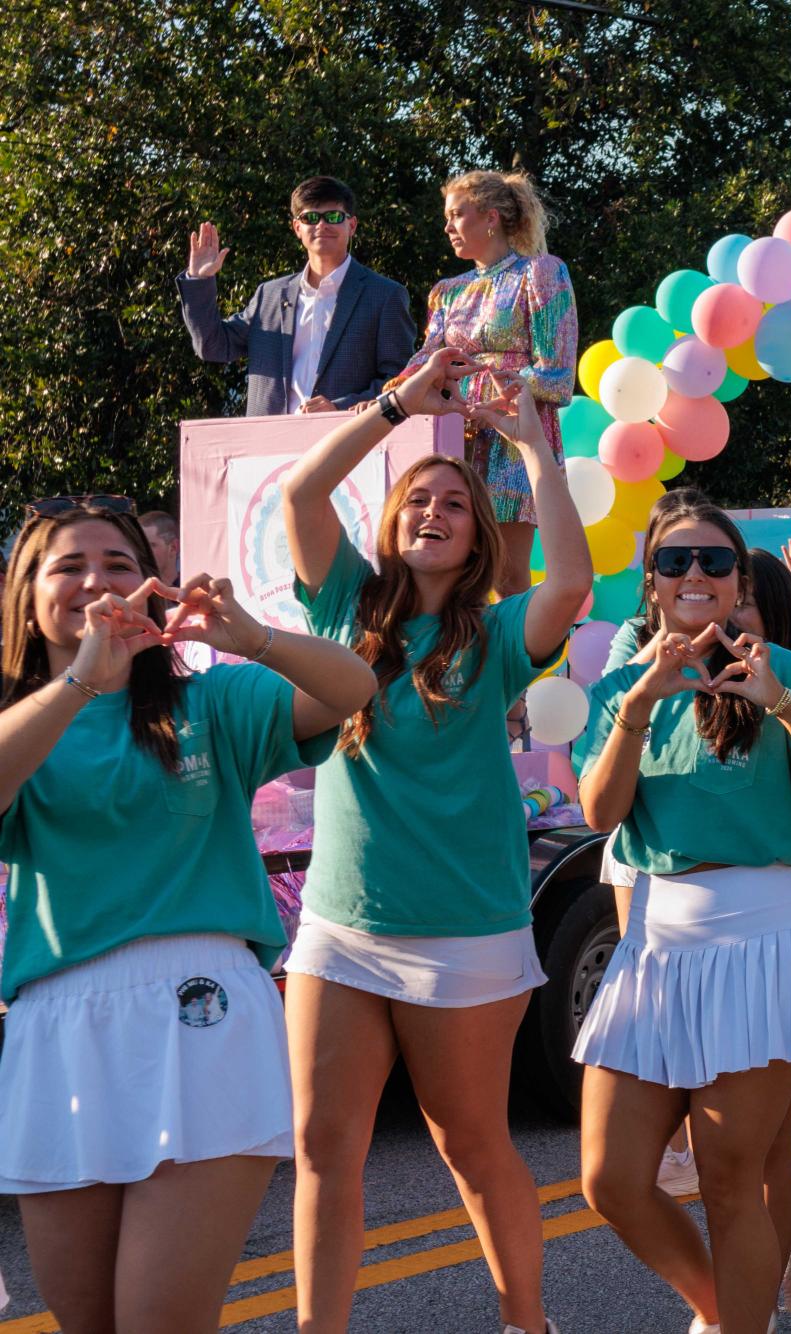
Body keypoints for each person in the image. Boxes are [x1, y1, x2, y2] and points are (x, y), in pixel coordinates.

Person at [0, 498, 376, 1330]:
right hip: (54, 1026)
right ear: (27, 595)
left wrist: (255, 638)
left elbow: (355, 686)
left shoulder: (210, 702)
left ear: (154, 589)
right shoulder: (21, 719)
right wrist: (77, 684)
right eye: (68, 566)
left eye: (120, 565)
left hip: (199, 1009)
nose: (98, 583)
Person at [279, 350, 590, 1334]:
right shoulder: (341, 606)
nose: (433, 512)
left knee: (471, 1144)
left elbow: (573, 580)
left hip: (466, 929)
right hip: (341, 926)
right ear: (391, 521)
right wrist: (395, 407)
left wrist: (532, 443)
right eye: (419, 498)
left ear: (476, 539)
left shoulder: (496, 635)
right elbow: (302, 486)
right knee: (325, 1145)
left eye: (454, 505)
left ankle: (525, 1322)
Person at [572, 491, 791, 1334]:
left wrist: (781, 702)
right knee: (610, 1177)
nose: (695, 573)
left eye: (714, 560)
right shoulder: (620, 688)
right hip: (654, 943)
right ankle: (723, 1310)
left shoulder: (789, 674)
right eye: (675, 561)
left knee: (732, 1178)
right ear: (652, 583)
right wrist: (638, 705)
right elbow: (601, 813)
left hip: (760, 934)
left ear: (738, 578)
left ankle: (740, 1322)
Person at [387, 171, 578, 598]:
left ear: (490, 218)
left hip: (513, 441)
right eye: (447, 217)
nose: (447, 227)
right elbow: (422, 362)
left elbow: (559, 378)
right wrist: (386, 397)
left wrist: (489, 394)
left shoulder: (541, 273)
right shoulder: (447, 292)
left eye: (456, 215)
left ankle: (515, 661)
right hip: (453, 437)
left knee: (507, 578)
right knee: (448, 578)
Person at [180, 176, 416, 415]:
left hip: (347, 442)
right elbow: (212, 346)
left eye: (333, 216)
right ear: (297, 228)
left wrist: (339, 407)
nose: (321, 225)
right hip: (269, 445)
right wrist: (199, 280)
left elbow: (399, 381)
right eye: (310, 218)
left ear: (352, 225)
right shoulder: (269, 295)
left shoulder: (385, 295)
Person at [138, 510, 180, 582]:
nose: (140, 552)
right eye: (137, 545)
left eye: (148, 546)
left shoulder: (193, 591)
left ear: (173, 548)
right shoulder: (130, 590)